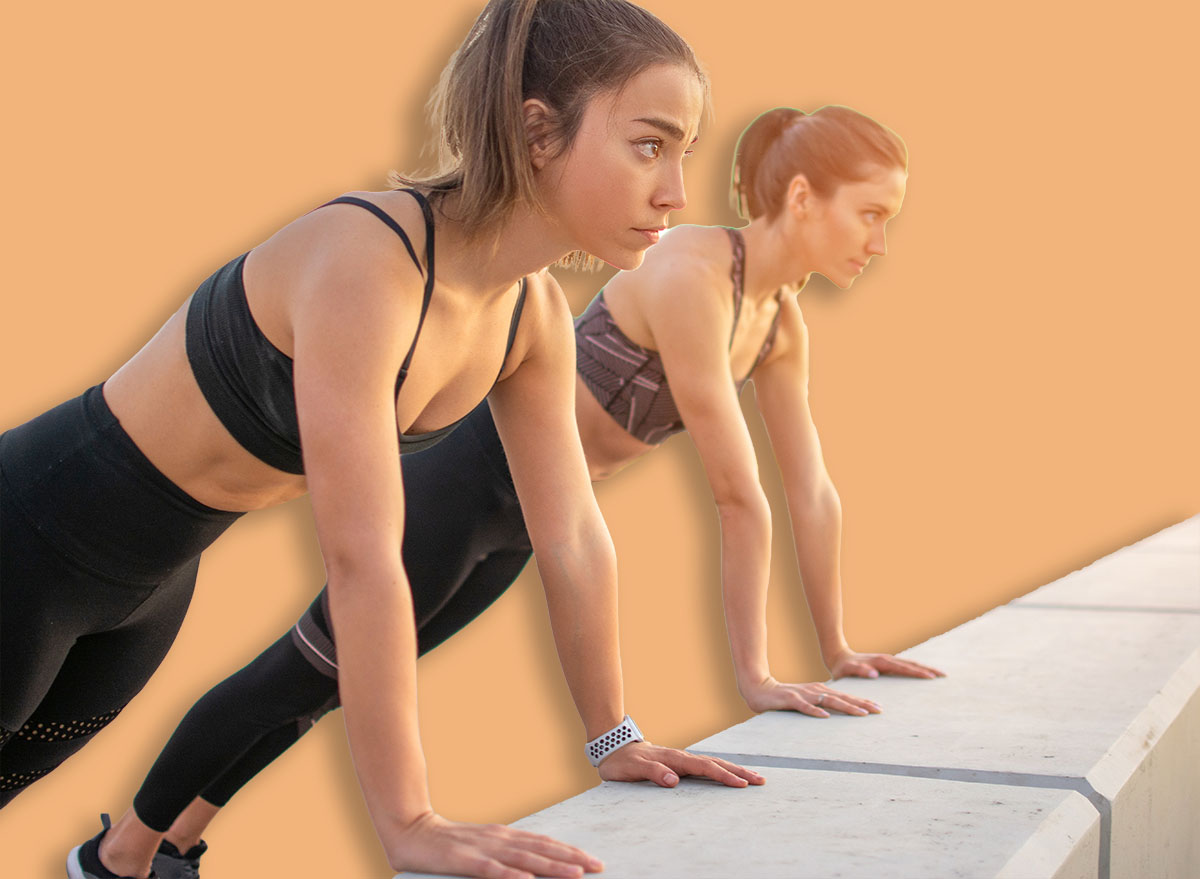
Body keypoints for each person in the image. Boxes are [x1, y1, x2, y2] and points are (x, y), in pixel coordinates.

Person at [0, 2, 765, 878]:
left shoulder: (531, 315)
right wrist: (408, 819)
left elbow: (572, 534)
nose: (675, 191)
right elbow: (362, 557)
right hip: (31, 538)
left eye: (684, 153)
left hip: (147, 592)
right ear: (538, 132)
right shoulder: (370, 261)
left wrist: (614, 737)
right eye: (648, 145)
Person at [106, 104, 943, 879]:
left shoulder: (776, 320)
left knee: (329, 685)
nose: (879, 241)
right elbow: (738, 493)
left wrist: (834, 645)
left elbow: (811, 489)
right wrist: (756, 675)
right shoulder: (692, 270)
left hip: (526, 524)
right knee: (305, 671)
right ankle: (120, 852)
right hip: (464, 486)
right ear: (802, 196)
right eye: (871, 213)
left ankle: (176, 838)